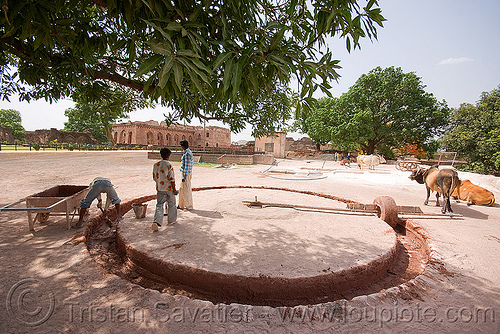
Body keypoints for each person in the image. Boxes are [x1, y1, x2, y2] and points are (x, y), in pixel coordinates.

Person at [152, 148, 178, 231]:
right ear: (169, 156)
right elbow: (172, 179)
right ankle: (171, 220)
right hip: (169, 188)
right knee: (172, 203)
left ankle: (156, 221)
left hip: (160, 188)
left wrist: (159, 183)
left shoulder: (156, 165)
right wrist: (174, 189)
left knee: (159, 204)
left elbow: (154, 177)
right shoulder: (169, 165)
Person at [178, 140, 194, 210]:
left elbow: (187, 166)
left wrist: (184, 176)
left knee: (186, 190)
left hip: (186, 174)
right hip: (185, 173)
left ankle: (189, 206)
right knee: (182, 189)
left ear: (182, 146)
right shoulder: (186, 152)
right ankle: (181, 205)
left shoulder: (187, 153)